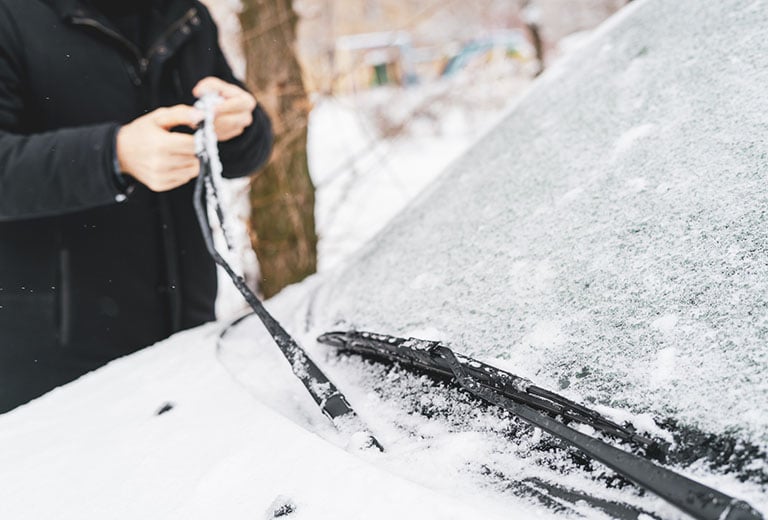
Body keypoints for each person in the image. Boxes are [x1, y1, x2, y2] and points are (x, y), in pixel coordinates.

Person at [0, 0, 274, 413]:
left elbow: (246, 150)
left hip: (186, 336)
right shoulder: (13, 17)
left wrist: (242, 126)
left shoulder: (186, 15)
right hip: (56, 365)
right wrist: (113, 156)